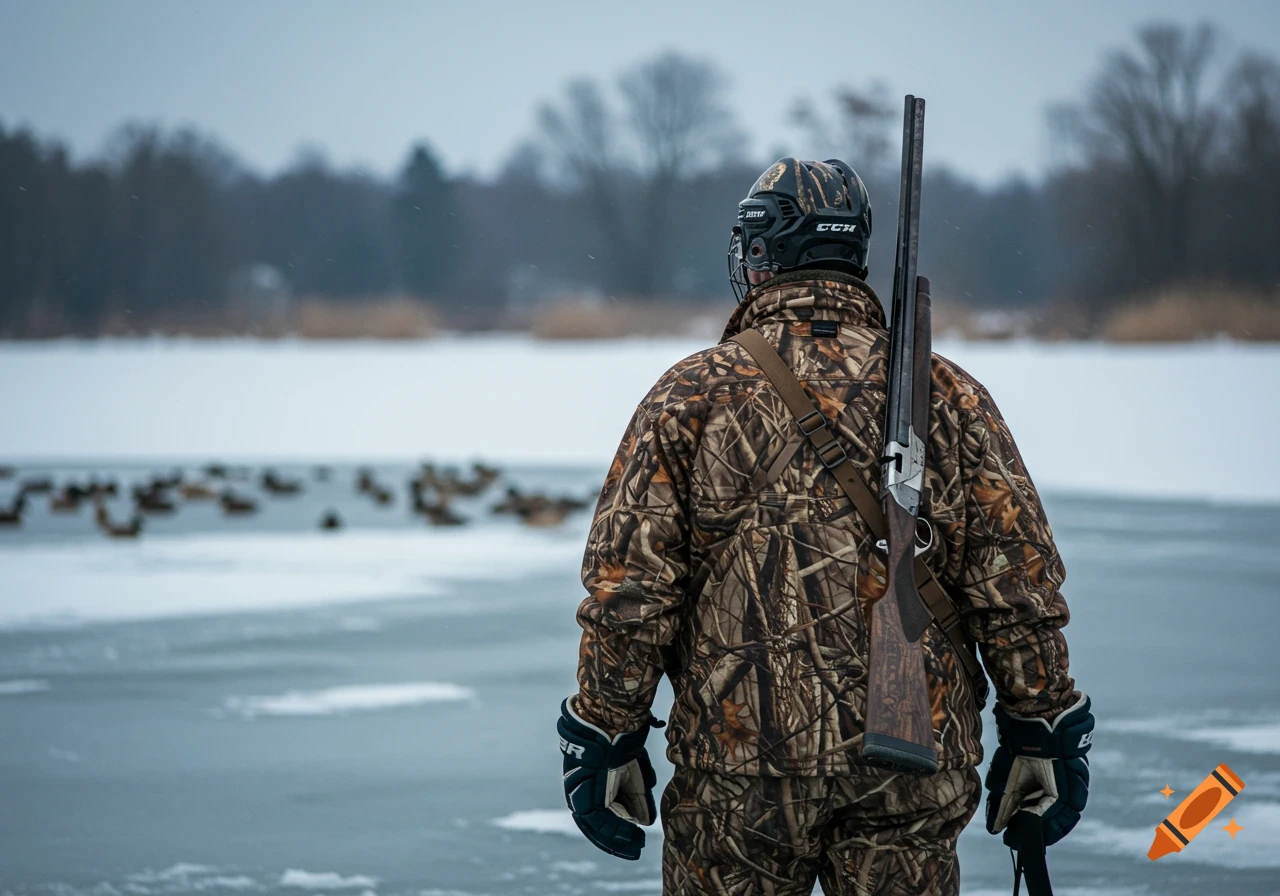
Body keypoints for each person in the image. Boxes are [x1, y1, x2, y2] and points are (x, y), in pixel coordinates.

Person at [556, 158, 1093, 896]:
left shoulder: (691, 392)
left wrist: (605, 729)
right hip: (913, 769)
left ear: (762, 253)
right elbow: (1018, 582)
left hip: (737, 771)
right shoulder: (952, 394)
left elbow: (630, 589)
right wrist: (1041, 722)